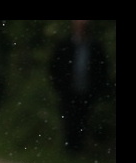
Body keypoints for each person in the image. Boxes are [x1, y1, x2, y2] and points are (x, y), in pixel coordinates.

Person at [48, 20, 111, 155]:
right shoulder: (65, 45)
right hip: (68, 91)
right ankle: (70, 149)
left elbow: (102, 70)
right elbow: (54, 67)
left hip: (87, 91)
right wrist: (59, 85)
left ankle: (78, 149)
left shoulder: (94, 47)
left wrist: (97, 88)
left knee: (83, 119)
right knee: (69, 119)